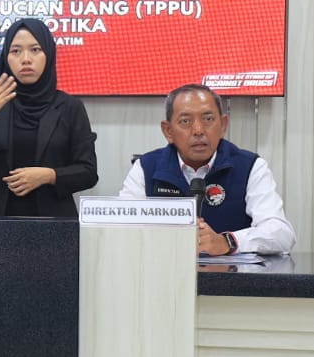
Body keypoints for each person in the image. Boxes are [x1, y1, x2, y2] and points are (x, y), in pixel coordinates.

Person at [120, 85, 296, 256]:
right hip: (164, 271)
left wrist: (228, 242)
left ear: (223, 125)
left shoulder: (250, 167)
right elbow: (120, 230)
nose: (198, 130)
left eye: (208, 119)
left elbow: (281, 234)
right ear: (168, 131)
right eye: (185, 121)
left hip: (233, 275)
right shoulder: (146, 168)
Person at [0, 17, 97, 218]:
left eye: (35, 50)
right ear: (6, 57)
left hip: (53, 223)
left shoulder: (70, 107)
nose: (25, 59)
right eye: (16, 51)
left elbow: (88, 172)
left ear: (48, 54)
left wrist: (49, 175)